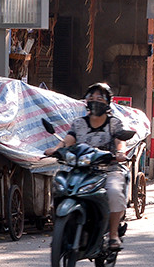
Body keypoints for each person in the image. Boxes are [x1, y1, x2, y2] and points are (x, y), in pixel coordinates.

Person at [46, 82, 128, 251]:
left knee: (113, 192)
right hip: (81, 170)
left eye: (100, 98)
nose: (95, 101)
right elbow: (68, 140)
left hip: (108, 170)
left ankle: (113, 235)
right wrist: (56, 149)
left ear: (107, 103)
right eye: (92, 97)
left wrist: (119, 153)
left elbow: (120, 142)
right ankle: (60, 231)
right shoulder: (79, 123)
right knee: (60, 187)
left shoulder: (114, 124)